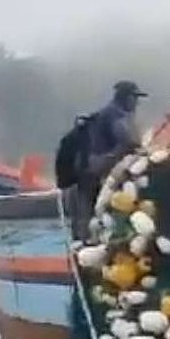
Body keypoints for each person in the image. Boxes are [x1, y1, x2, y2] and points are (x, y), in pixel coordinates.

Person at [70, 80, 147, 240]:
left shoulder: (108, 112)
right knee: (92, 214)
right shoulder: (115, 114)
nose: (137, 103)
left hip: (87, 169)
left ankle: (84, 244)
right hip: (95, 170)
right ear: (126, 98)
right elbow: (128, 140)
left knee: (87, 215)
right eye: (135, 98)